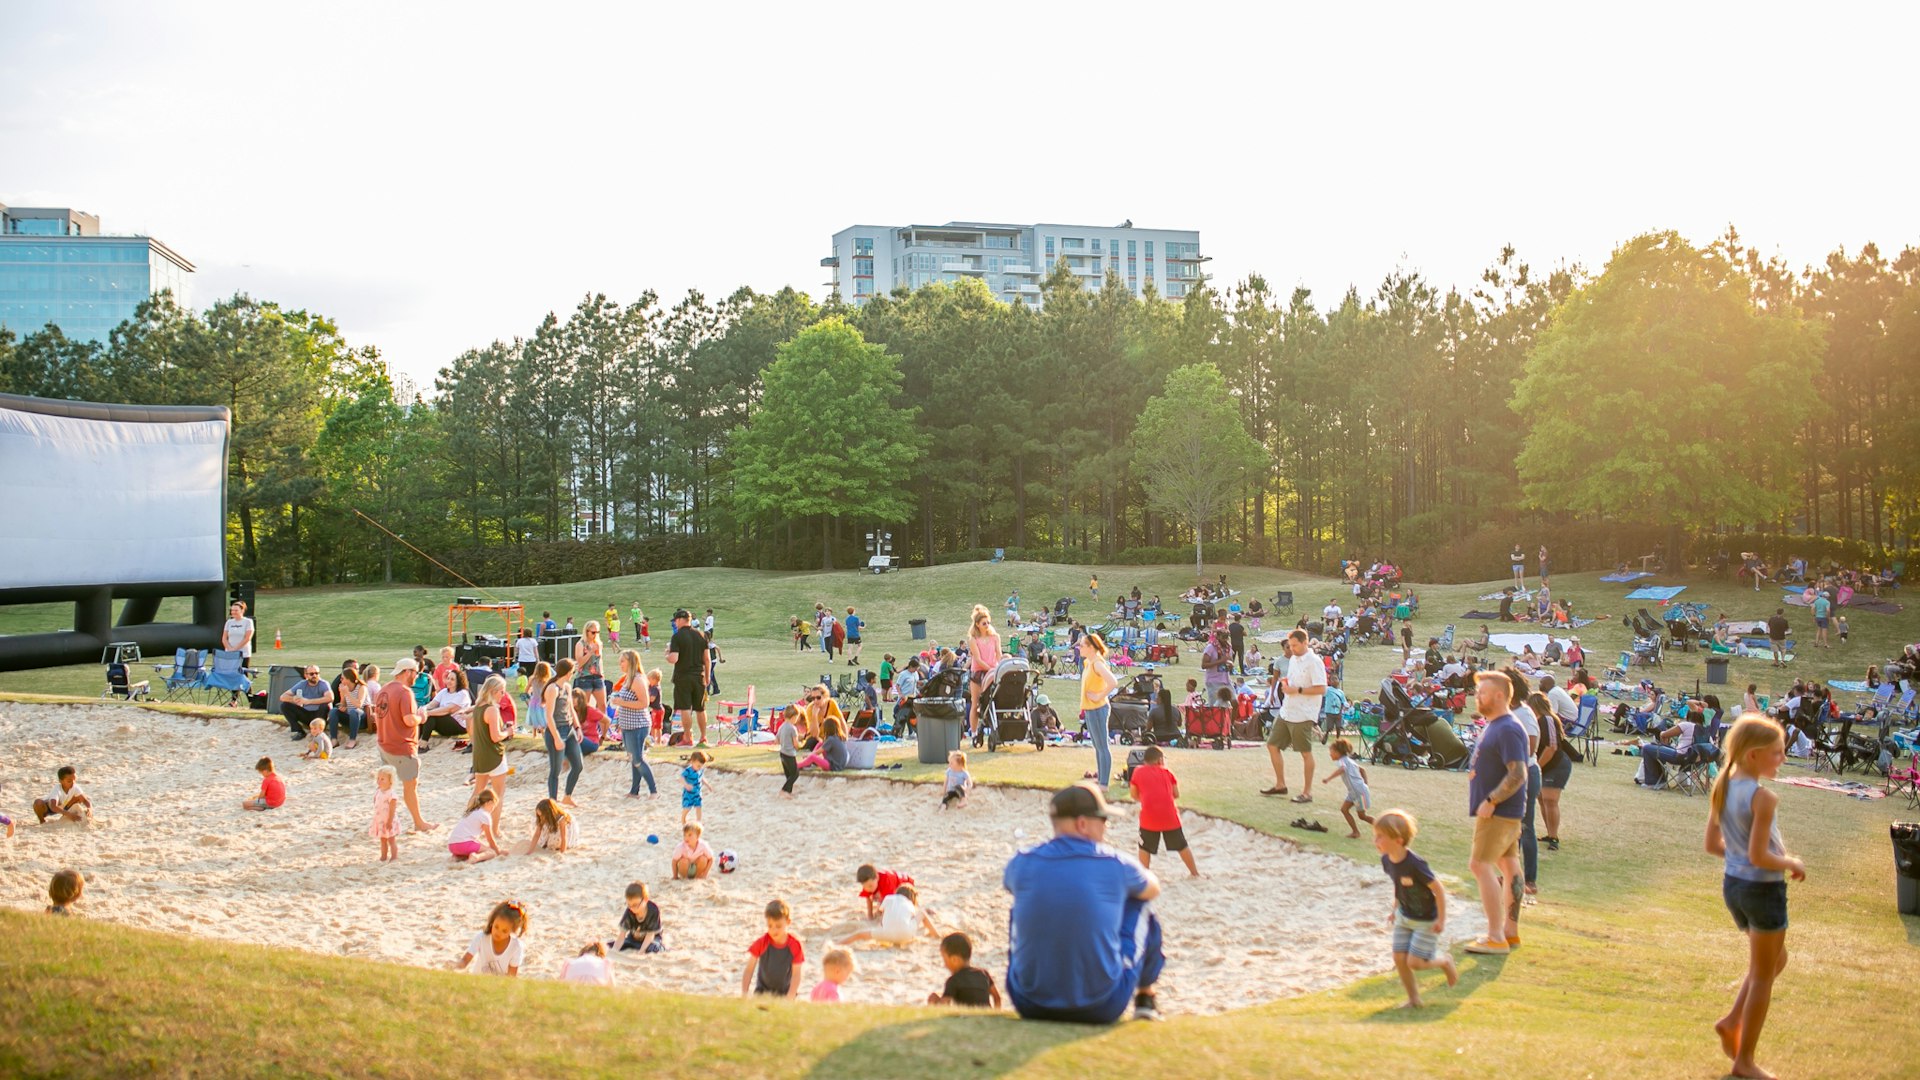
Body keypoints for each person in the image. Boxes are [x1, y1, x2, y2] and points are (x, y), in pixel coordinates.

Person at [1004, 783, 1164, 1023]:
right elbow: (1153, 888)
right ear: (1082, 824)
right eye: (1103, 820)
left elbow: (1011, 884)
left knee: (1022, 906)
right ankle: (1146, 998)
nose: (1106, 827)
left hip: (1028, 1003)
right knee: (1139, 904)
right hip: (1102, 1006)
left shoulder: (1022, 862)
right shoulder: (1114, 863)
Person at [1706, 715, 1806, 1080]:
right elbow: (1759, 856)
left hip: (1734, 887)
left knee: (1776, 960)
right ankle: (1744, 1061)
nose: (1782, 759)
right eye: (1777, 753)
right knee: (1764, 974)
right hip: (1762, 890)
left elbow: (1712, 845)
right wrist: (1792, 861)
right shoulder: (1763, 797)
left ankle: (1732, 1021)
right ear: (1753, 755)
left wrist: (1744, 857)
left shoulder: (1723, 785)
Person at [1465, 672, 1529, 955]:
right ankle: (1509, 933)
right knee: (1508, 866)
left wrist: (1491, 799)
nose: (1477, 697)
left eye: (1483, 692)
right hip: (1504, 811)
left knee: (1479, 866)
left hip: (1499, 811)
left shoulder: (1508, 728)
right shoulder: (1497, 725)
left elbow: (1518, 772)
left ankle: (1495, 936)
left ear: (1500, 696)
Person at [1373, 809, 1459, 1008]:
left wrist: (1441, 919)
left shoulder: (1415, 864)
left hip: (1426, 920)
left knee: (1415, 962)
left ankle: (1445, 961)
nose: (1375, 841)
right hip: (1404, 916)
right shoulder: (1386, 860)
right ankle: (1414, 1000)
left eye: (1380, 837)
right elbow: (1398, 884)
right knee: (1399, 958)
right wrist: (1395, 909)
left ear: (1399, 840)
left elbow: (1438, 889)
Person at [373, 659, 434, 834]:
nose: (417, 676)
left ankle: (382, 820)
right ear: (407, 672)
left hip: (384, 743)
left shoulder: (384, 690)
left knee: (384, 787)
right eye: (416, 673)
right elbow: (408, 720)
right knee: (410, 786)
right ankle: (418, 822)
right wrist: (421, 717)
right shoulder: (405, 692)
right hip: (401, 746)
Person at [1264, 629, 1324, 803]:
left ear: (1305, 643)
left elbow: (1322, 689)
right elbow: (1291, 681)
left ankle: (1307, 792)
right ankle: (1280, 784)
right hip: (1287, 709)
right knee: (1272, 745)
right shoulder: (1292, 660)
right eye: (1290, 646)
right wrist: (1286, 685)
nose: (1291, 649)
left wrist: (1296, 690)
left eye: (1295, 645)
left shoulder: (1314, 662)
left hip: (1304, 713)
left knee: (1305, 752)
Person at [1129, 745, 1199, 877]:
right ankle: (1194, 873)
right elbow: (1176, 794)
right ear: (1160, 760)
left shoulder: (1138, 771)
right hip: (1170, 816)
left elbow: (1134, 794)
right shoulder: (1167, 772)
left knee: (1144, 847)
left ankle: (1144, 875)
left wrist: (1145, 798)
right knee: (1182, 845)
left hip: (1149, 816)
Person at [466, 676, 512, 827]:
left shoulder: (478, 707)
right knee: (497, 794)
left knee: (478, 790)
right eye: (501, 692)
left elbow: (471, 730)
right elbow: (496, 736)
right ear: (494, 691)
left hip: (480, 754)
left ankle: (467, 821)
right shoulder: (492, 710)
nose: (503, 695)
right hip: (494, 755)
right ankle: (495, 829)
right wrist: (508, 732)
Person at [611, 650, 656, 798]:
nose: (620, 664)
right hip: (628, 725)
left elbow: (644, 703)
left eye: (622, 661)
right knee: (634, 758)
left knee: (638, 759)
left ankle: (654, 791)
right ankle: (634, 791)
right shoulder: (628, 679)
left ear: (631, 662)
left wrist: (621, 702)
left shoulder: (637, 679)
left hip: (638, 725)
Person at [1077, 632, 1119, 787]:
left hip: (1098, 709)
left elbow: (1113, 682)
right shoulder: (1089, 663)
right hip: (1090, 709)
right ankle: (1101, 777)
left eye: (1082, 645)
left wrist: (1098, 696)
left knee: (1102, 746)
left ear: (1091, 647)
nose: (1079, 648)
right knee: (1097, 745)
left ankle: (1104, 783)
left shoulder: (1097, 663)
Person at [666, 609, 712, 747]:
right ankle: (703, 737)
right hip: (699, 676)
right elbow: (707, 659)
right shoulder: (701, 635)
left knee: (685, 707)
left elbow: (674, 658)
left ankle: (687, 737)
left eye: (675, 620)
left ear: (680, 620)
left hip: (683, 676)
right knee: (700, 708)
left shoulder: (677, 637)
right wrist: (708, 676)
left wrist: (666, 654)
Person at [839, 882, 938, 945]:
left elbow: (881, 913)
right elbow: (909, 917)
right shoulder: (910, 904)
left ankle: (839, 944)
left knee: (859, 935)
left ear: (897, 893)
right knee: (923, 913)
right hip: (906, 934)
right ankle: (936, 935)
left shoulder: (889, 898)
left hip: (885, 934)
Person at [743, 899, 803, 999]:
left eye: (778, 926)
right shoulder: (762, 943)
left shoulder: (795, 945)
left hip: (785, 992)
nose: (773, 930)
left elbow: (796, 974)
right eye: (770, 926)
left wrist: (790, 996)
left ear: (788, 922)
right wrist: (744, 993)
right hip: (762, 991)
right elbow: (749, 970)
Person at [927, 932, 1001, 1008]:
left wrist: (934, 1001)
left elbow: (943, 1007)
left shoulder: (953, 981)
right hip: (986, 1018)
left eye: (945, 959)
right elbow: (997, 998)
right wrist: (994, 1016)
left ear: (954, 960)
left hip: (967, 1019)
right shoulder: (984, 974)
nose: (944, 965)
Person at [453, 900, 526, 976]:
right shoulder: (481, 937)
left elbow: (511, 976)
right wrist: (455, 965)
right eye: (496, 927)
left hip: (499, 985)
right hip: (476, 982)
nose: (498, 932)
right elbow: (465, 961)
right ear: (492, 921)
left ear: (513, 930)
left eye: (504, 931)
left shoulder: (516, 947)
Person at [1323, 739, 1374, 838]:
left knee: (1362, 816)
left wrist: (1328, 779)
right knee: (1344, 809)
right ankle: (1355, 832)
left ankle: (1385, 828)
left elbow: (1342, 769)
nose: (1330, 754)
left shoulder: (1341, 761)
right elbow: (1362, 770)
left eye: (1331, 752)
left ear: (1338, 752)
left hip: (1357, 792)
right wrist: (1365, 784)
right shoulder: (1349, 760)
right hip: (1355, 791)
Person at [967, 605, 1003, 741]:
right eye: (984, 623)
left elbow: (998, 654)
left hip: (993, 672)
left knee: (995, 700)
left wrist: (998, 667)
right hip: (978, 673)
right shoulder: (973, 640)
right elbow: (977, 659)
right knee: (975, 703)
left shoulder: (995, 637)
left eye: (988, 622)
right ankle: (974, 732)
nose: (987, 625)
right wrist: (991, 669)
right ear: (977, 624)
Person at [446, 789, 505, 864]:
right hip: (464, 844)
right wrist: (497, 851)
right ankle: (476, 857)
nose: (493, 810)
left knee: (476, 848)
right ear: (489, 803)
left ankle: (456, 857)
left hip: (452, 846)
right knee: (491, 852)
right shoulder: (485, 815)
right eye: (493, 806)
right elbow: (490, 839)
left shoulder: (471, 812)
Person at [279, 664, 333, 741]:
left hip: (319, 714)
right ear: (306, 675)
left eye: (316, 673)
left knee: (325, 705)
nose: (314, 675)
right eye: (311, 674)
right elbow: (283, 697)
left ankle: (319, 731)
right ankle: (299, 731)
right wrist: (294, 699)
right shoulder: (302, 684)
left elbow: (330, 698)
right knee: (284, 706)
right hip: (306, 713)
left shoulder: (323, 684)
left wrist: (308, 701)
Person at [419, 667, 470, 748]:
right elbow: (432, 704)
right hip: (444, 724)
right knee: (423, 716)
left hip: (459, 725)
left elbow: (449, 710)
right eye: (448, 678)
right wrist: (423, 709)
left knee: (431, 716)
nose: (449, 681)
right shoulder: (444, 692)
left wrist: (428, 713)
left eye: (452, 679)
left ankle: (423, 744)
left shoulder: (462, 694)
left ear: (458, 681)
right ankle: (415, 741)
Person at [615, 881, 664, 953]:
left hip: (652, 939)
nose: (632, 908)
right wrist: (614, 950)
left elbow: (650, 935)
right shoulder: (629, 911)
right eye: (629, 905)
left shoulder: (653, 910)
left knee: (654, 949)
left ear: (645, 900)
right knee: (609, 945)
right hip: (633, 939)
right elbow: (622, 935)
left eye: (635, 905)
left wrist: (641, 951)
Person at [328, 662, 369, 749]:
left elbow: (359, 704)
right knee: (333, 711)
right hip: (350, 717)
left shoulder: (362, 687)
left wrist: (347, 693)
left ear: (349, 679)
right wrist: (343, 705)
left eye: (342, 678)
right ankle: (334, 739)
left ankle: (352, 739)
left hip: (361, 718)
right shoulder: (343, 687)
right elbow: (343, 703)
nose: (341, 680)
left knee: (355, 711)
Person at [574, 621, 608, 719]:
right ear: (587, 631)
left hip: (597, 677)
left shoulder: (598, 643)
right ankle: (584, 730)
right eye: (593, 632)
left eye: (597, 632)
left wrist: (602, 673)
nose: (595, 635)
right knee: (584, 706)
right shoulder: (580, 644)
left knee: (602, 705)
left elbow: (599, 660)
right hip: (584, 677)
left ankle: (602, 731)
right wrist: (590, 652)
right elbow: (579, 663)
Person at [369, 765, 400, 862]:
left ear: (390, 781)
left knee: (391, 840)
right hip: (380, 820)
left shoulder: (391, 794)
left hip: (389, 820)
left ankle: (394, 856)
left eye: (382, 779)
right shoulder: (378, 791)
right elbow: (375, 802)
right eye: (378, 778)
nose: (379, 781)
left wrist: (390, 821)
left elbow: (392, 809)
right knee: (382, 840)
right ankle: (383, 856)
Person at [680, 751, 709, 825]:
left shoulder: (700, 770)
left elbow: (701, 778)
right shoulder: (688, 770)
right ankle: (683, 819)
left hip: (697, 793)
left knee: (699, 806)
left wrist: (708, 785)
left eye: (701, 766)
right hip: (688, 793)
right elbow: (681, 777)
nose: (700, 768)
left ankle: (698, 821)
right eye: (698, 766)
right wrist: (686, 785)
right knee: (687, 808)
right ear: (692, 762)